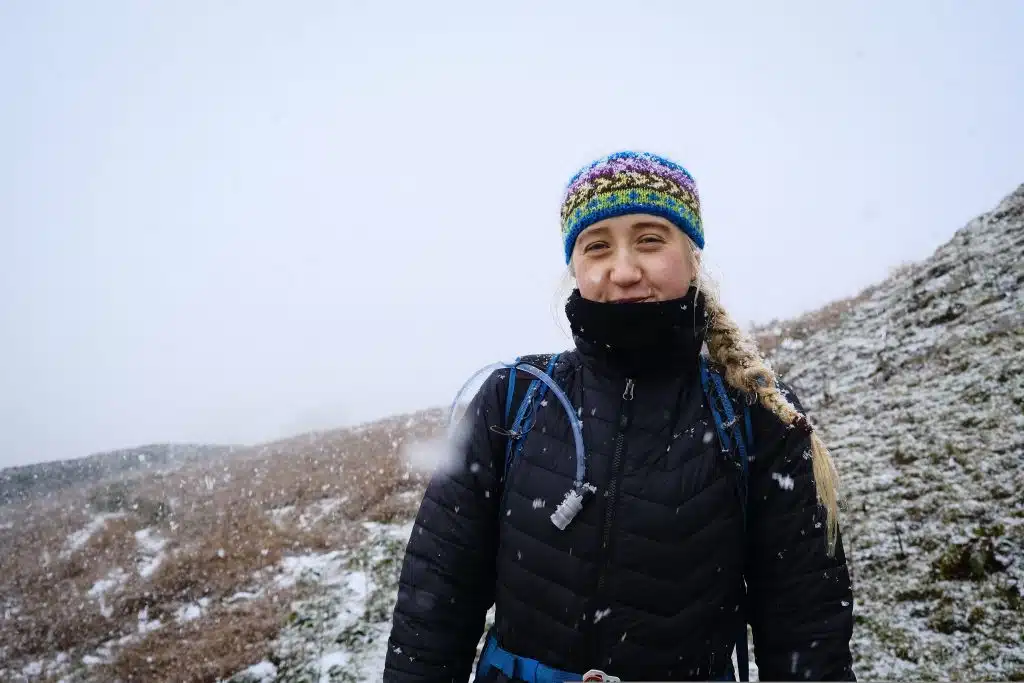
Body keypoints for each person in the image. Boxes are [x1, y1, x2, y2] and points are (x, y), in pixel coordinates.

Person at [384, 151, 855, 682]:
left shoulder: (755, 415)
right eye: (597, 246)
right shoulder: (513, 400)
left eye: (650, 240)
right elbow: (436, 599)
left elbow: (805, 624)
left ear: (693, 258)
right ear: (576, 268)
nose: (625, 271)